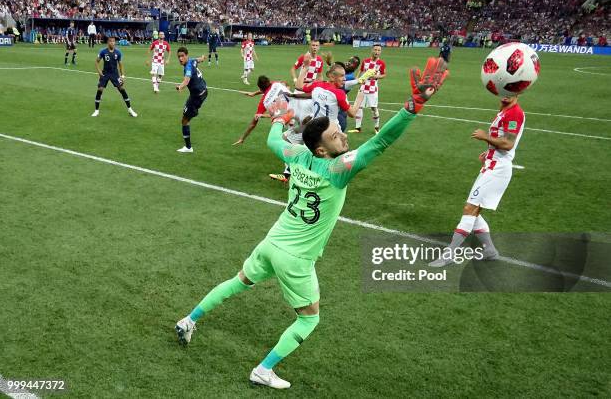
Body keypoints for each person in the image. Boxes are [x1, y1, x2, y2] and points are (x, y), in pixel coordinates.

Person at [175, 57, 448, 390]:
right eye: (336, 136)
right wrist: (412, 107)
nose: (343, 137)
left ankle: (188, 320)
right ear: (321, 150)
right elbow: (381, 142)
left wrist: (280, 117)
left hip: (272, 241)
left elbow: (274, 141)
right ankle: (263, 369)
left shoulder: (297, 155)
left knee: (238, 281)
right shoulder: (337, 171)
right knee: (309, 318)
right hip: (296, 258)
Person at [429, 94, 525, 267]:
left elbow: (508, 144)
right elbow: (501, 140)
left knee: (470, 208)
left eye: (510, 90)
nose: (505, 94)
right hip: (491, 164)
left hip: (498, 169)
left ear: (518, 92)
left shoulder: (515, 114)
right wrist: (489, 153)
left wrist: (485, 137)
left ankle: (449, 254)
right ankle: (489, 251)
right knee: (474, 209)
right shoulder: (505, 110)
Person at [92, 36, 137, 118]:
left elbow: (120, 65)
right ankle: (96, 110)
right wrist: (99, 72)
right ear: (107, 42)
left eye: (113, 41)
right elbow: (96, 62)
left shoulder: (118, 52)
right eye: (110, 41)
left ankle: (130, 109)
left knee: (122, 89)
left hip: (115, 74)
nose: (112, 43)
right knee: (100, 89)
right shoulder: (103, 51)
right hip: (105, 73)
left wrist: (122, 75)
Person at [175, 47, 208, 153]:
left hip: (196, 96)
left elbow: (187, 80)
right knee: (188, 114)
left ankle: (188, 147)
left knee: (184, 120)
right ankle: (193, 112)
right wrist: (203, 58)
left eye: (182, 56)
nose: (180, 58)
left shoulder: (188, 67)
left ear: (187, 55)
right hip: (204, 91)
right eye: (179, 56)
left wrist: (180, 87)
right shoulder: (192, 60)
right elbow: (199, 59)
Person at [350, 44, 386, 134]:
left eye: (378, 50)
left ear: (380, 52)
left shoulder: (381, 63)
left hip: (373, 88)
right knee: (359, 107)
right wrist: (357, 80)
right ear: (372, 50)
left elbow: (384, 74)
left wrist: (376, 76)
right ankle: (358, 128)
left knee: (374, 108)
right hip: (362, 87)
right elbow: (361, 71)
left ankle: (377, 128)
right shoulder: (365, 61)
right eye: (375, 50)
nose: (377, 52)